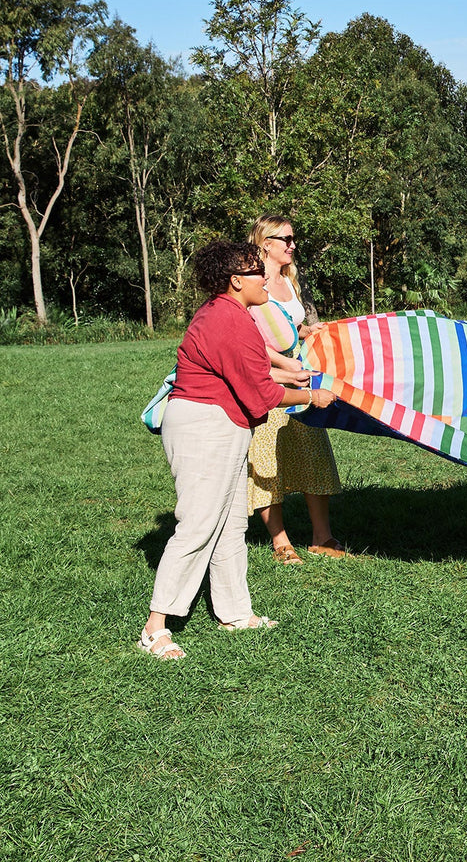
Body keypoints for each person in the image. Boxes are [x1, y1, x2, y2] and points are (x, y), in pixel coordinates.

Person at [138, 241, 338, 660]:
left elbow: (247, 370)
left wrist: (290, 375)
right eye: (255, 272)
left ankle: (234, 613)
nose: (264, 278)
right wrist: (310, 396)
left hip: (224, 424)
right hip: (203, 428)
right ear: (234, 281)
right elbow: (261, 393)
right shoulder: (227, 318)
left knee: (230, 524)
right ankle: (155, 626)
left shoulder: (230, 314)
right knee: (198, 524)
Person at [246, 215, 346, 565]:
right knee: (266, 460)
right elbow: (250, 337)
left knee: (312, 450)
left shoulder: (289, 280)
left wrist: (307, 331)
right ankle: (281, 542)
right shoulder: (251, 282)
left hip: (300, 375)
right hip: (267, 377)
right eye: (285, 239)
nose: (292, 244)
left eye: (292, 238)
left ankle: (322, 537)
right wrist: (283, 365)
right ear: (266, 243)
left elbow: (286, 327)